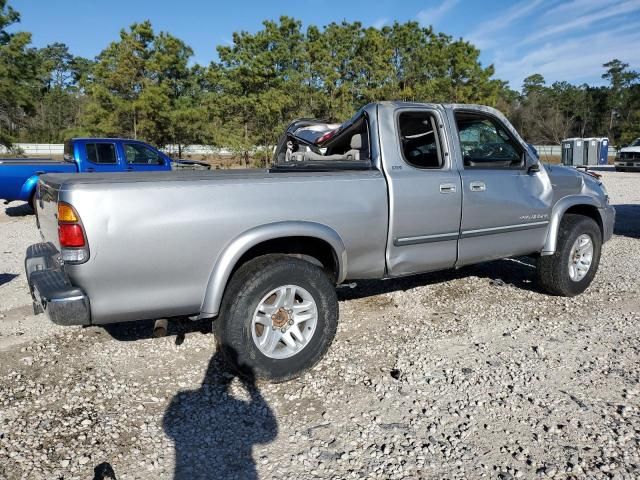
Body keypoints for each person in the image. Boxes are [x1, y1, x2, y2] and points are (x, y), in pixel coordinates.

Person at [163, 349, 278, 479]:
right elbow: (270, 434)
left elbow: (168, 427)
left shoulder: (184, 397)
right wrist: (253, 391)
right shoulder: (238, 406)